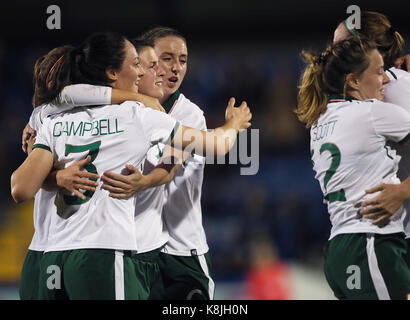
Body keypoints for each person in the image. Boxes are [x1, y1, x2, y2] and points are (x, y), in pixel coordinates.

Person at [11, 31, 251, 300]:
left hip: (49, 254)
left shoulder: (51, 117)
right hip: (103, 253)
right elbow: (217, 145)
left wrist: (57, 176)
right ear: (113, 72)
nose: (152, 71)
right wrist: (234, 124)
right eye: (139, 64)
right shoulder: (137, 116)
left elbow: (20, 188)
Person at [18, 42, 168, 300]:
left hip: (48, 250)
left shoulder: (45, 117)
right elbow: (73, 95)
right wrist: (138, 97)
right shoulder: (50, 115)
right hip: (88, 250)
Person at [102, 27, 215, 300]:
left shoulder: (190, 114)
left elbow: (169, 165)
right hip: (136, 248)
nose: (175, 68)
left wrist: (142, 183)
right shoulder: (120, 112)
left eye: (183, 60)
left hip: (182, 249)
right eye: (166, 59)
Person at [295, 37, 410, 299]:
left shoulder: (318, 122)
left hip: (339, 248)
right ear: (353, 81)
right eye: (379, 71)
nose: (386, 79)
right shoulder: (374, 113)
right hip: (371, 243)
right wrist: (403, 190)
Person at [334, 11, 410, 269]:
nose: (331, 54)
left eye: (338, 46)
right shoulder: (358, 94)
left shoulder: (394, 87)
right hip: (388, 235)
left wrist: (403, 190)